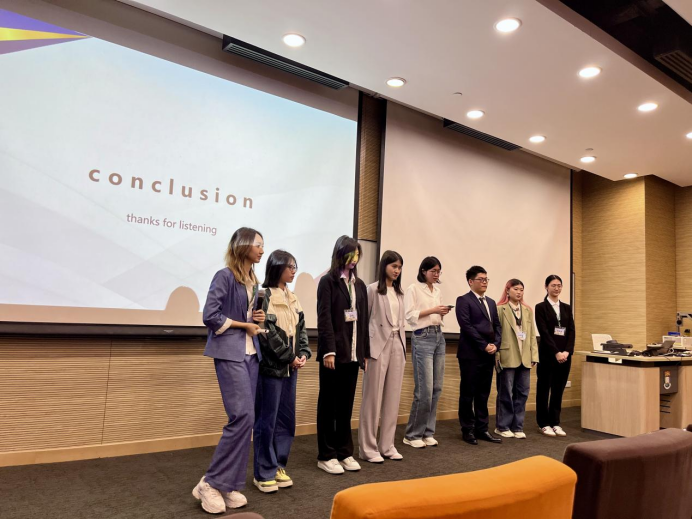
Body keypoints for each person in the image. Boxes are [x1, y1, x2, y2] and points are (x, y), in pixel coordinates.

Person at [192, 227, 265, 514]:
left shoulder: (254, 281)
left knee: (247, 419)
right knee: (242, 416)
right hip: (229, 352)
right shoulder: (224, 276)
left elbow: (247, 317)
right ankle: (210, 483)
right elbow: (210, 315)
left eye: (263, 245)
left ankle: (227, 484)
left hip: (251, 354)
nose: (262, 250)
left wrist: (256, 318)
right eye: (258, 244)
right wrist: (243, 324)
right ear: (243, 245)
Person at [253, 250, 311, 493]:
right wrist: (289, 357)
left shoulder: (293, 297)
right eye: (290, 267)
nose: (293, 271)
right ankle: (263, 472)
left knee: (286, 420)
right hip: (272, 368)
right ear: (277, 267)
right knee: (267, 420)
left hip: (291, 369)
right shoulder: (263, 295)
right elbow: (266, 332)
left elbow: (301, 328)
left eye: (295, 266)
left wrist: (303, 353)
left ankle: (279, 466)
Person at [316, 236, 370, 474]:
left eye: (357, 255)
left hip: (353, 354)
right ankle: (326, 455)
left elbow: (363, 320)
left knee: (346, 406)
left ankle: (344, 452)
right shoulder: (327, 281)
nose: (354, 259)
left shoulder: (359, 285)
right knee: (329, 405)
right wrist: (329, 350)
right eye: (350, 254)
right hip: (334, 354)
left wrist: (364, 352)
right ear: (340, 254)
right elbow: (324, 318)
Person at [358, 251, 406, 463]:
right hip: (377, 345)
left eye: (399, 267)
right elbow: (363, 321)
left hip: (398, 344)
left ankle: (387, 445)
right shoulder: (372, 289)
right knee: (372, 398)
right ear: (384, 265)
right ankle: (368, 449)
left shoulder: (400, 292)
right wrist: (364, 352)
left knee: (392, 398)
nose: (397, 270)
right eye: (394, 266)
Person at [403, 256, 450, 448]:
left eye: (438, 271)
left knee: (437, 388)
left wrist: (441, 312)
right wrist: (433, 310)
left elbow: (435, 315)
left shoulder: (437, 290)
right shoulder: (413, 288)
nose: (436, 274)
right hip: (422, 336)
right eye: (433, 271)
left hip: (439, 335)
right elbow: (409, 316)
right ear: (424, 271)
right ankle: (412, 435)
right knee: (425, 390)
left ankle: (428, 432)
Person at [455, 266, 502, 445]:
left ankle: (482, 429)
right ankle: (467, 429)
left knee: (483, 394)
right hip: (471, 354)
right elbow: (466, 326)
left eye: (486, 279)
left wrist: (496, 344)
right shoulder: (463, 300)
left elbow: (497, 326)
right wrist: (484, 345)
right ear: (470, 281)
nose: (484, 282)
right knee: (468, 393)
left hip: (488, 354)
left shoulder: (491, 302)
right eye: (481, 279)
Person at [494, 279, 538, 439]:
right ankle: (502, 426)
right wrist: (497, 355)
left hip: (525, 357)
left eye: (521, 289)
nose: (519, 292)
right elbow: (496, 334)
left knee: (523, 392)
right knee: (505, 392)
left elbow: (532, 335)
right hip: (507, 355)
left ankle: (518, 426)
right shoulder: (500, 309)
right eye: (516, 289)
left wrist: (534, 355)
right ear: (508, 291)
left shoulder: (527, 310)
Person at [535, 274, 575, 437]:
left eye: (559, 285)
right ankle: (543, 423)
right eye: (553, 285)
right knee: (544, 389)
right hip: (548, 355)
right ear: (546, 287)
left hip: (565, 356)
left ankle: (555, 422)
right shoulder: (540, 307)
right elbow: (543, 332)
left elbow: (571, 331)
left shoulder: (566, 307)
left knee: (558, 390)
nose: (557, 288)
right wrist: (556, 352)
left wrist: (567, 351)